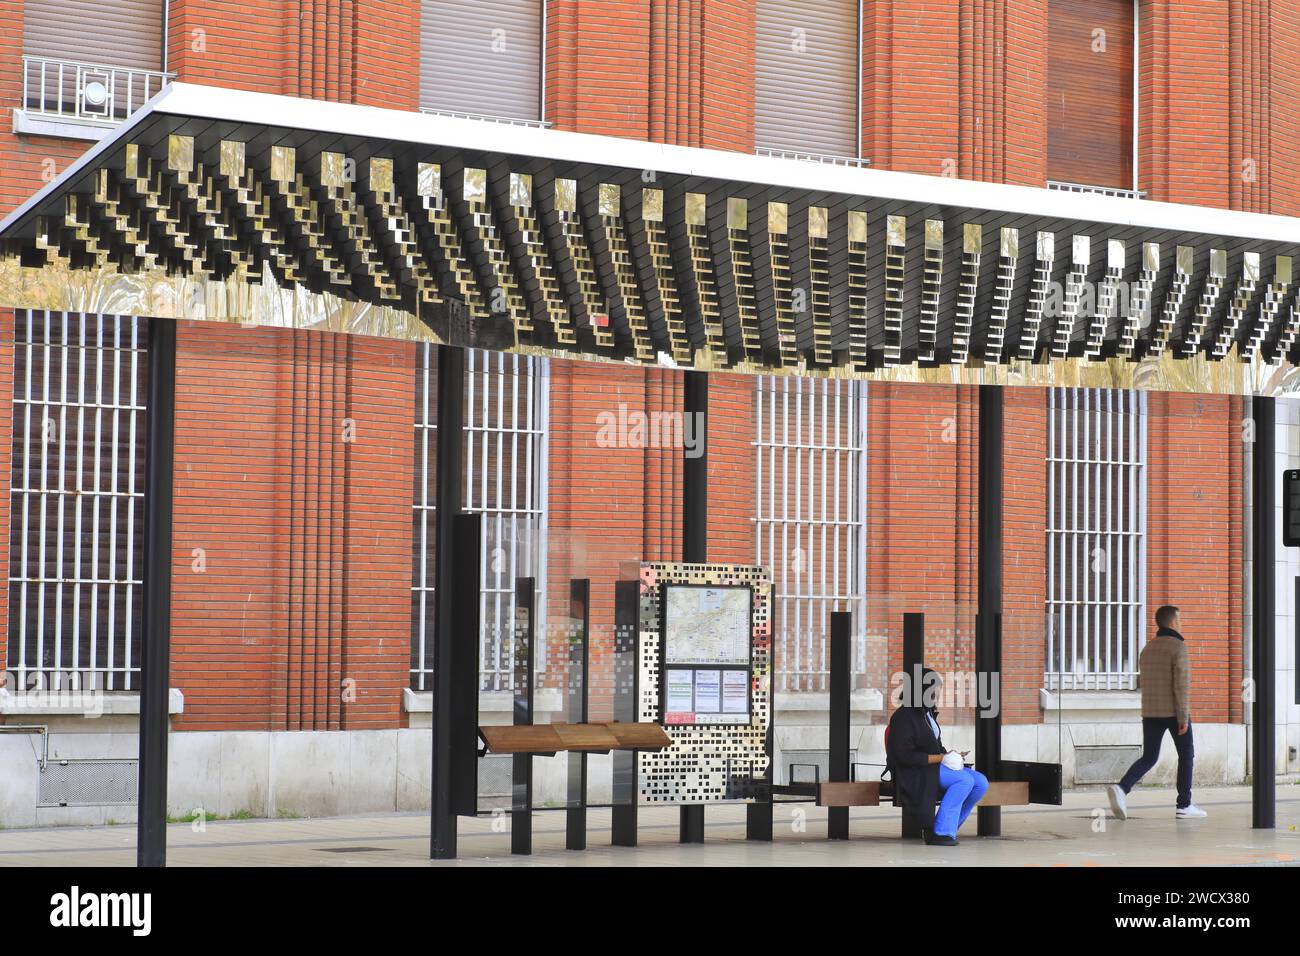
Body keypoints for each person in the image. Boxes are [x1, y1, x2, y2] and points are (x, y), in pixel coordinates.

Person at [1107, 605, 1207, 820]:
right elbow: (1181, 685)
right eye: (1179, 619)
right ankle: (1184, 804)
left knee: (1150, 756)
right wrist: (1183, 717)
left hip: (1151, 712)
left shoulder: (1148, 648)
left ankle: (1122, 788)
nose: (1181, 623)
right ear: (1172, 622)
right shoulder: (1178, 647)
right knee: (1186, 756)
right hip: (1174, 712)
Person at [885, 666, 989, 846]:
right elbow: (905, 757)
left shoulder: (927, 713)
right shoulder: (903, 717)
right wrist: (942, 758)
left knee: (980, 782)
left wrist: (951, 755)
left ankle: (948, 826)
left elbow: (936, 747)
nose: (937, 694)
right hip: (916, 771)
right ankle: (940, 832)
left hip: (933, 766)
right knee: (964, 780)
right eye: (934, 690)